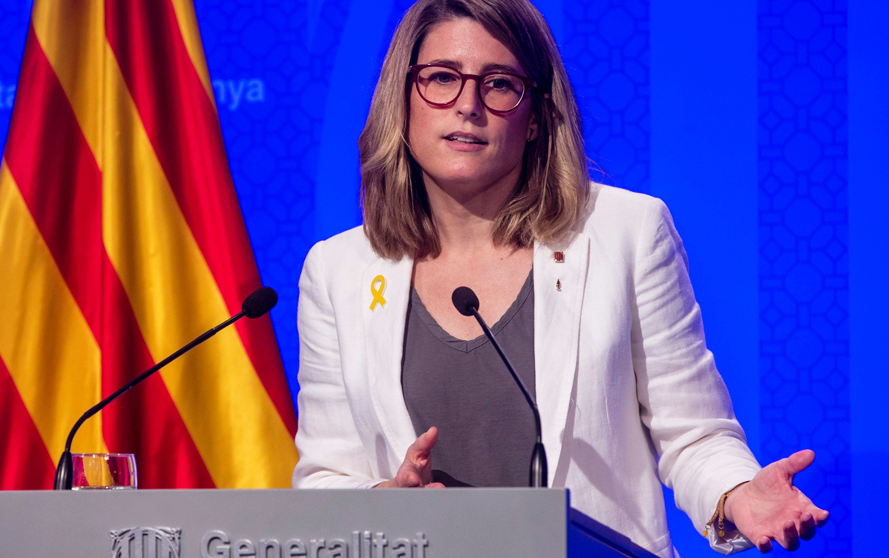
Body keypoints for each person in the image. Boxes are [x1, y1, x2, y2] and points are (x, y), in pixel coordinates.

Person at [291, 0, 828, 555]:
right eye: (442, 78)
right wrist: (383, 499)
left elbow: (692, 434)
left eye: (499, 84)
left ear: (538, 119)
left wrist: (738, 494)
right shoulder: (338, 271)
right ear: (402, 101)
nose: (467, 105)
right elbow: (327, 478)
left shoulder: (627, 233)